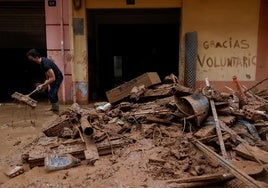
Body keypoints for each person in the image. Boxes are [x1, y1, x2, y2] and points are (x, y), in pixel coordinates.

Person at [26, 49, 63, 114]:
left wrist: (43, 85)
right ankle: (54, 107)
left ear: (36, 57)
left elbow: (53, 78)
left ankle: (56, 111)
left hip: (58, 78)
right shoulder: (41, 62)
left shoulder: (46, 64)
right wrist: (46, 81)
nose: (32, 61)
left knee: (52, 94)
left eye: (32, 59)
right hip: (52, 77)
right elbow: (46, 72)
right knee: (51, 93)